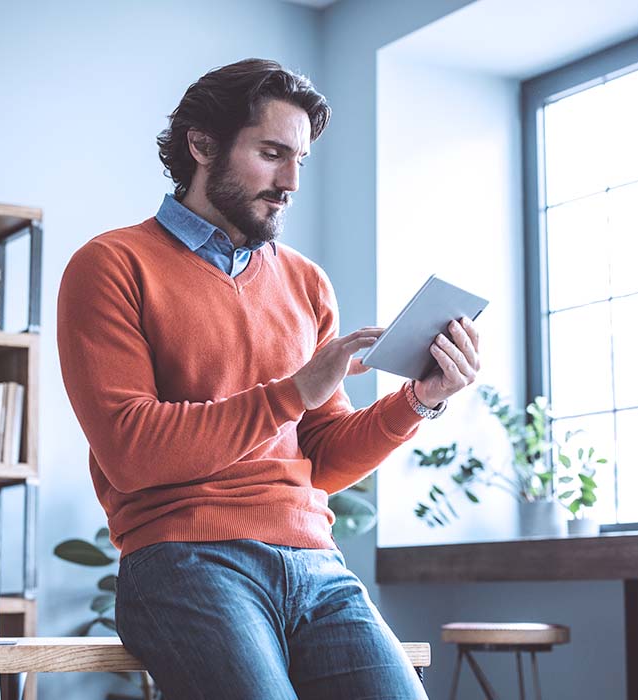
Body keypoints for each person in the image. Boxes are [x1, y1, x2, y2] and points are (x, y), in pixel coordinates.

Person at [57, 58, 480, 700]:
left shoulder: (307, 283)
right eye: (272, 153)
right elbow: (132, 452)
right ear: (202, 145)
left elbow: (321, 461)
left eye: (301, 161)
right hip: (185, 558)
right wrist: (293, 392)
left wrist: (418, 400)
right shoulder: (110, 265)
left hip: (317, 564)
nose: (290, 183)